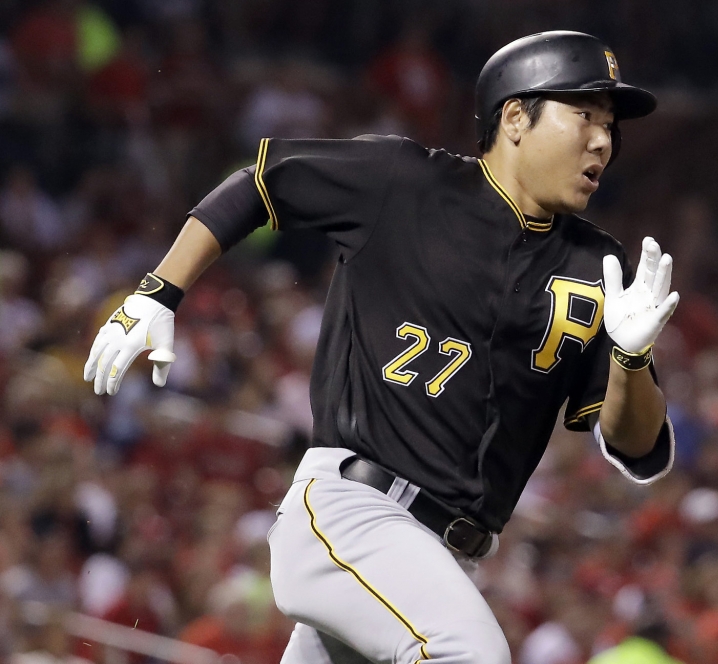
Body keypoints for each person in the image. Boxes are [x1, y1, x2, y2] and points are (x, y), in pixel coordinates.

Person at [84, 31, 680, 664]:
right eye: (584, 115)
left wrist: (632, 359)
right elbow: (260, 184)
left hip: (440, 558)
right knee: (467, 654)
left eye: (610, 126)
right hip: (351, 508)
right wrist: (158, 292)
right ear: (514, 117)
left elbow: (639, 451)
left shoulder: (600, 266)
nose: (602, 142)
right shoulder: (404, 182)